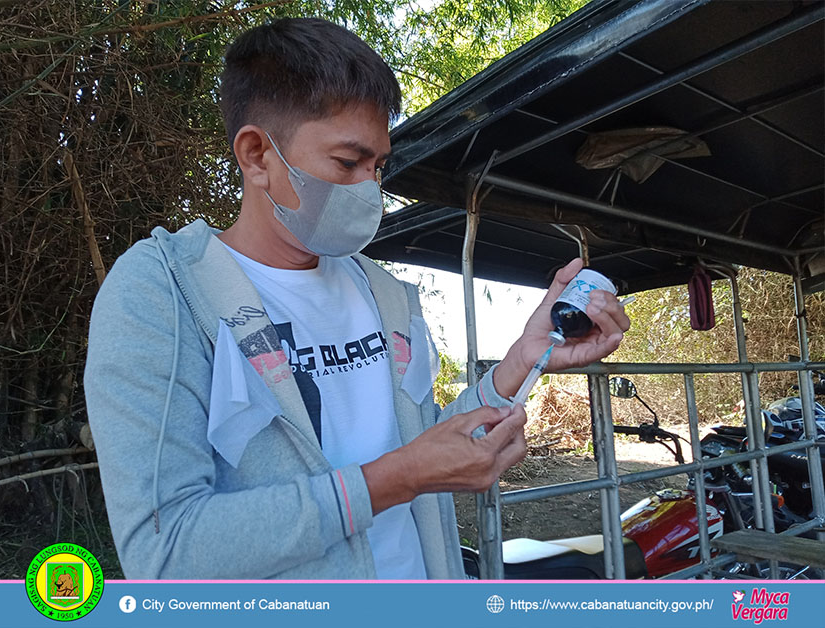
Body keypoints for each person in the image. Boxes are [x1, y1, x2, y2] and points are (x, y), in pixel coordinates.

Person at [84, 17, 630, 580]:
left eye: (378, 167)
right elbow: (166, 552)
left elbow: (421, 444)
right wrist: (395, 478)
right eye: (348, 163)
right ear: (256, 155)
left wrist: (522, 359)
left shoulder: (385, 292)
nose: (370, 189)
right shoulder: (166, 295)